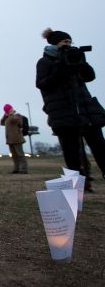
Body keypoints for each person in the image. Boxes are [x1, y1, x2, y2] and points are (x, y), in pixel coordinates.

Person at [36, 28, 105, 192]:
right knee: (72, 152)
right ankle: (80, 184)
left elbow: (90, 76)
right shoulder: (45, 62)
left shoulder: (75, 58)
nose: (68, 44)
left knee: (100, 147)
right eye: (64, 42)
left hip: (86, 111)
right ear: (54, 43)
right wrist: (60, 65)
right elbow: (42, 84)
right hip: (63, 112)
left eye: (69, 41)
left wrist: (81, 61)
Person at [0, 104, 28, 174]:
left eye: (9, 109)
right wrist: (4, 116)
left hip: (17, 138)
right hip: (10, 139)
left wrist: (11, 114)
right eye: (7, 110)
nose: (9, 111)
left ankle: (24, 169)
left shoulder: (17, 116)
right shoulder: (7, 118)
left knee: (20, 154)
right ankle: (16, 168)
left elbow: (17, 122)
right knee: (14, 155)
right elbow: (2, 123)